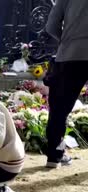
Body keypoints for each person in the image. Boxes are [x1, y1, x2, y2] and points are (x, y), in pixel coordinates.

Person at [44, 0, 88, 168]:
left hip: (70, 54)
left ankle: (55, 155)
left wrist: (67, 39)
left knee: (59, 108)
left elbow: (51, 25)